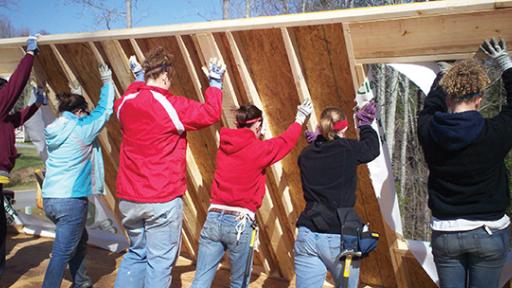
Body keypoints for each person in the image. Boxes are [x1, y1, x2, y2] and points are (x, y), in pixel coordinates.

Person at [114, 47, 225, 288]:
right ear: (165, 74)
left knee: (136, 254)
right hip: (160, 199)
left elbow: (133, 93)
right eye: (170, 76)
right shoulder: (170, 105)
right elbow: (211, 113)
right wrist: (215, 84)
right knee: (159, 263)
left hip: (128, 199)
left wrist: (137, 81)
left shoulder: (123, 104)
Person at [418, 38, 512, 288]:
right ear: (479, 99)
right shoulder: (495, 133)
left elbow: (429, 107)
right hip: (488, 232)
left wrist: (443, 75)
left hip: (446, 234)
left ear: (448, 98)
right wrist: (505, 64)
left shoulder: (429, 130)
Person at [191, 99, 313, 288]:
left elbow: (243, 152)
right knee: (239, 283)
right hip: (239, 223)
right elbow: (285, 142)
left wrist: (254, 136)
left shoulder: (224, 146)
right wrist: (300, 119)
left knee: (200, 280)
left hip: (214, 217)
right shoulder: (259, 150)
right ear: (257, 124)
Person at [41, 64, 114, 288]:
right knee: (61, 253)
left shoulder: (55, 127)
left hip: (51, 199)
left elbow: (86, 116)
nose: (87, 115)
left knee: (79, 240)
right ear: (79, 112)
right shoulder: (82, 128)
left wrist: (77, 93)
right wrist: (107, 82)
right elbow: (104, 111)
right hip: (71, 201)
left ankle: (82, 283)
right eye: (85, 112)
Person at [294, 102, 379, 288]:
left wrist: (318, 143)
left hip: (308, 234)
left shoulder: (306, 155)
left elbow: (323, 162)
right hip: (338, 236)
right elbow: (372, 149)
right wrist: (364, 125)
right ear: (345, 127)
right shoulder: (347, 149)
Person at [0, 35, 39, 276]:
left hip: (1, 175)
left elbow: (19, 118)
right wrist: (29, 56)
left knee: (1, 226)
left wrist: (36, 105)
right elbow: (15, 86)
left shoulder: (3, 118)